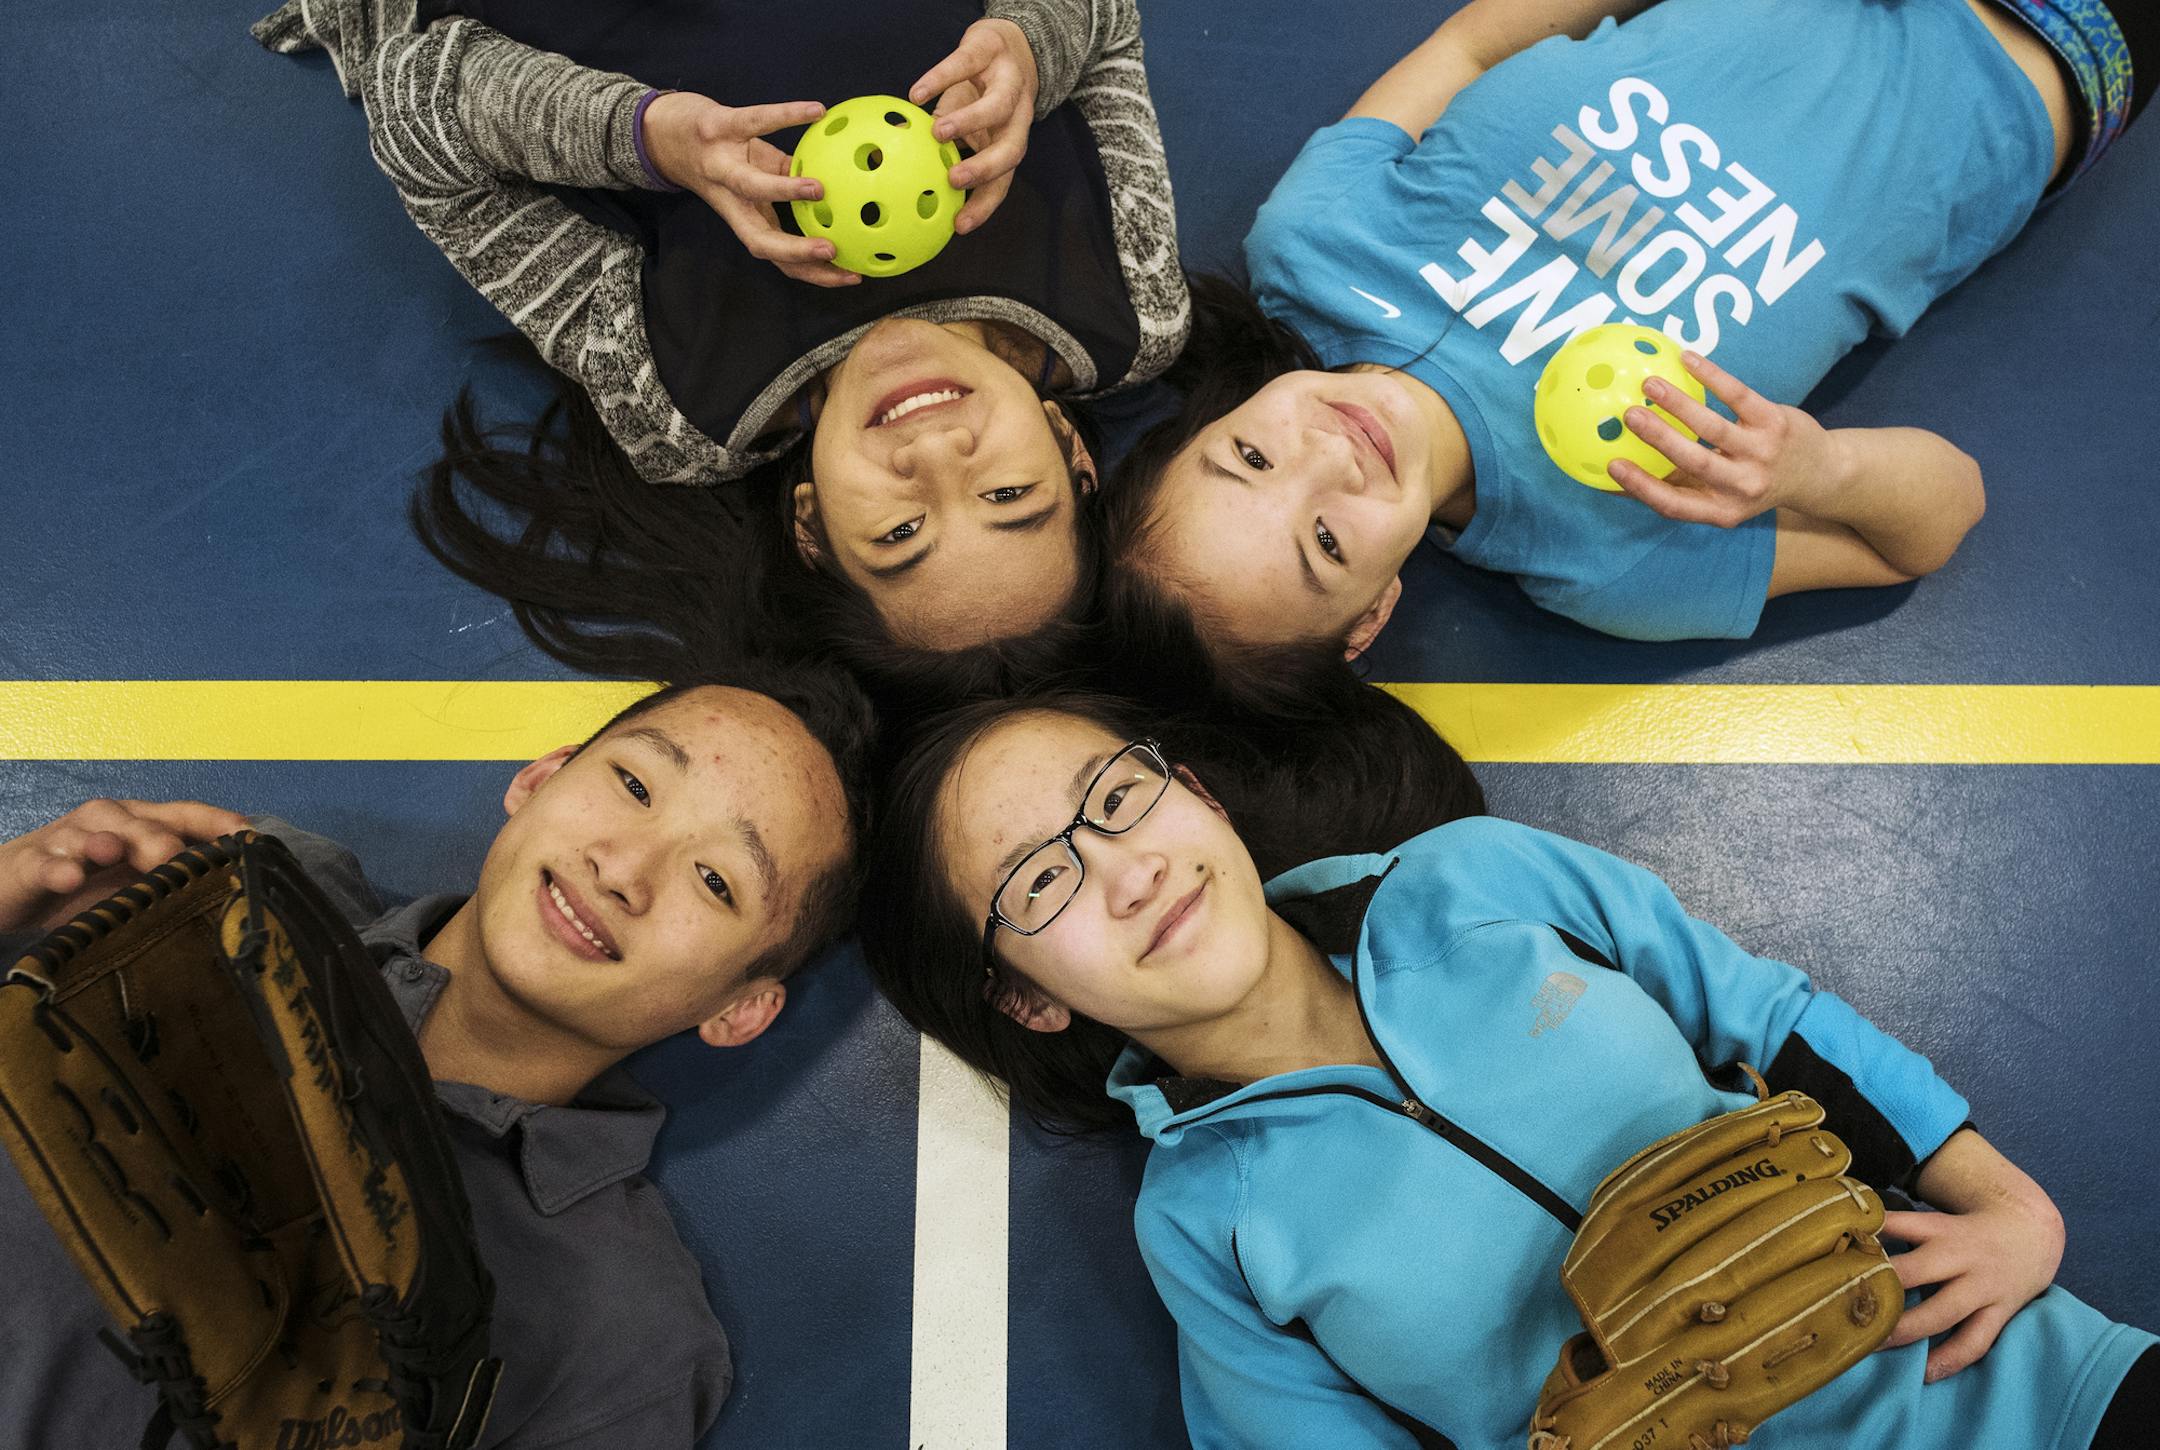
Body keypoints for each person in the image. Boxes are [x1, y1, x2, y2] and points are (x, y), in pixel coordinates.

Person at [858, 693, 2157, 1449]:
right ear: (1028, 997)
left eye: (1118, 796)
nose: (1123, 863)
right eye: (1040, 879)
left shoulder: (1477, 877)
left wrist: (2008, 1204)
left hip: (2029, 1391)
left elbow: (1767, 1009)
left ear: (1192, 791)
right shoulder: (1204, 1220)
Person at [1103, 0, 2150, 658]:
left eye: (1247, 456)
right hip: (2049, 45)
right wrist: (1815, 470)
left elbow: (1471, 41)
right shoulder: (1606, 558)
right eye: (1324, 543)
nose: (1324, 459)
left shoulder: (1312, 244)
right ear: (1369, 618)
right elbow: (1936, 521)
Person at [0, 671, 873, 1448]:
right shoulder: (231, 895)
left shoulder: (628, 1342)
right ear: (539, 778)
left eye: (717, 881)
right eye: (635, 784)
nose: (625, 868)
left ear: (740, 1010)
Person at [255, 0, 1189, 659]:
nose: (937, 455)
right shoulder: (1127, 305)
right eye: (1007, 496)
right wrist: (1036, 42)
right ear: (1070, 447)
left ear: (813, 527)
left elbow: (412, 109)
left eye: (901, 532)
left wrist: (639, 136)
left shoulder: (685, 400)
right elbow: (1105, 22)